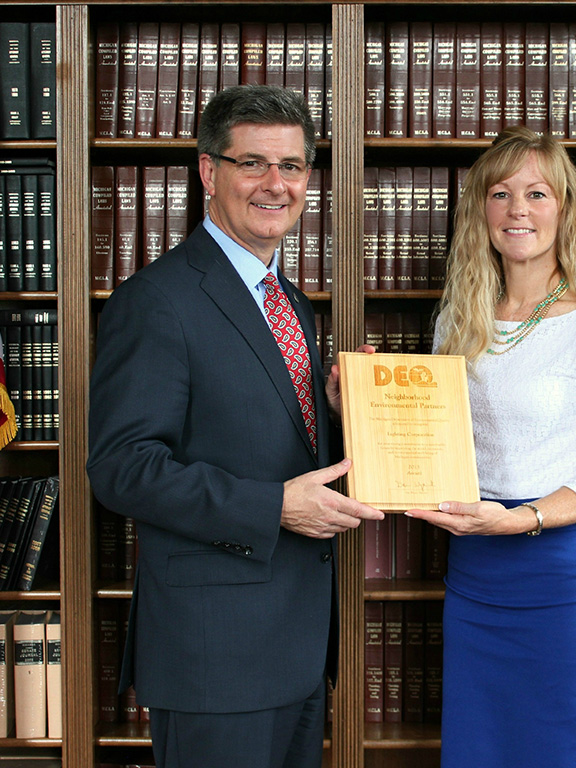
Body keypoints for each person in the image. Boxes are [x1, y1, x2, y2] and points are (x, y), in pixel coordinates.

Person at [86, 85, 384, 768]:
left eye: (292, 167)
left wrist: (346, 415)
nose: (275, 185)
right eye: (252, 163)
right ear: (209, 172)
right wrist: (274, 507)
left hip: (301, 646)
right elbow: (122, 468)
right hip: (214, 655)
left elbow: (278, 441)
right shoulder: (157, 302)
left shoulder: (292, 303)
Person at [406, 126, 576, 768]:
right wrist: (367, 411)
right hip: (477, 577)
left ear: (565, 211)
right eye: (501, 193)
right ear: (479, 211)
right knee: (477, 752)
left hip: (565, 579)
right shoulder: (457, 320)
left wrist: (517, 519)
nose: (518, 209)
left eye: (537, 193)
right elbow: (434, 438)